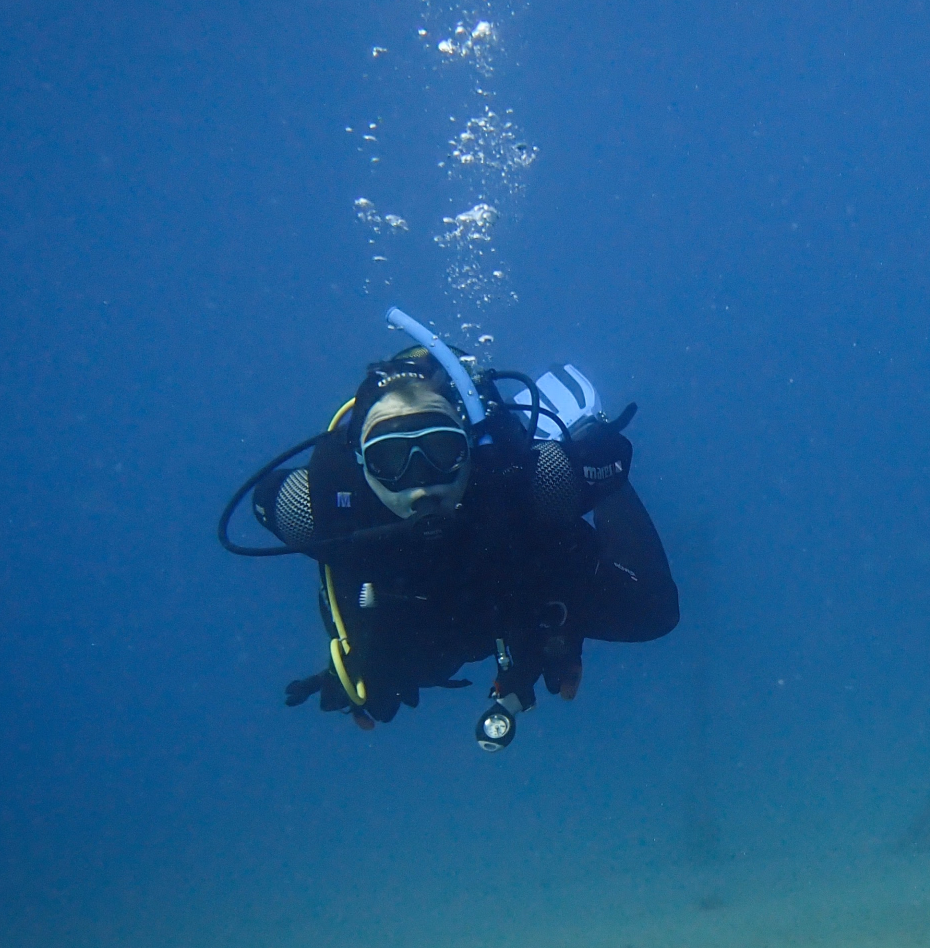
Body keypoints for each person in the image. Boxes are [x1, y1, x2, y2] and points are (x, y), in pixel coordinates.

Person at [221, 311, 678, 750]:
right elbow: (281, 515)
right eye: (391, 460)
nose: (422, 483)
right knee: (403, 676)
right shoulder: (318, 505)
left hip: (515, 577)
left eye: (441, 450)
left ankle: (575, 423)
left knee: (655, 612)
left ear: (470, 449)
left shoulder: (524, 476)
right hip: (429, 609)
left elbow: (608, 467)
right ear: (362, 465)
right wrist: (354, 649)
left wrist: (560, 630)